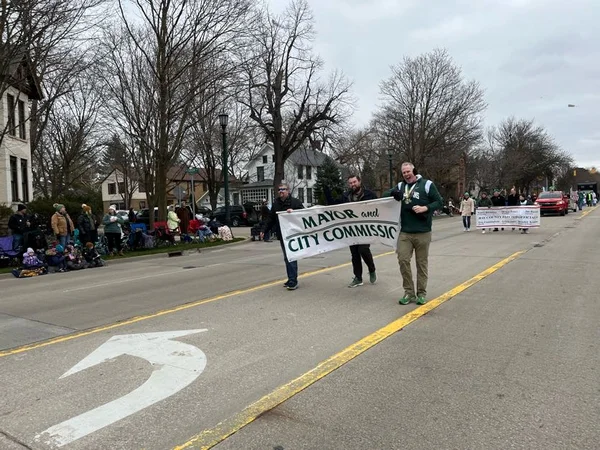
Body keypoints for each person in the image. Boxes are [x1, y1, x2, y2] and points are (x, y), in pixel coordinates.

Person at [391, 162, 443, 305]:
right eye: (404, 173)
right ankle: (409, 293)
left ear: (413, 170)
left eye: (408, 171)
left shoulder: (426, 184)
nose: (406, 174)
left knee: (421, 264)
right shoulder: (401, 186)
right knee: (403, 260)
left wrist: (425, 208)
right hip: (405, 232)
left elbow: (439, 202)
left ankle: (421, 293)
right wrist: (393, 193)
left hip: (423, 232)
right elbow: (385, 196)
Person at [326, 175, 378, 287]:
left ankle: (371, 269)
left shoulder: (370, 195)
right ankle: (358, 278)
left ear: (359, 181)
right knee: (354, 254)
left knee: (363, 249)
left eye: (354, 182)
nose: (352, 185)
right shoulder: (345, 196)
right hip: (351, 230)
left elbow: (380, 207)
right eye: (350, 183)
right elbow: (333, 205)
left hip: (365, 228)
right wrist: (327, 191)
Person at [260, 183, 304, 290]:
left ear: (288, 191)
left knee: (291, 256)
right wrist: (264, 230)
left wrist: (294, 212)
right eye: (279, 190)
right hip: (282, 235)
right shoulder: (276, 204)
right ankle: (291, 278)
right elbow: (270, 219)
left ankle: (293, 281)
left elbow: (304, 213)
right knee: (287, 257)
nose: (281, 191)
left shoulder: (295, 202)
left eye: (283, 189)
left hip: (293, 234)